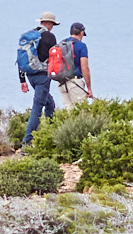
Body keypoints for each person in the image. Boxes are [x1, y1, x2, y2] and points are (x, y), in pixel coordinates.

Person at [16, 12, 61, 147]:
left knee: (50, 103)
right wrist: (58, 76)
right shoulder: (49, 37)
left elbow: (20, 59)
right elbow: (54, 59)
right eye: (52, 24)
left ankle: (51, 133)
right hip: (43, 76)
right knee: (37, 107)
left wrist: (22, 80)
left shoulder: (30, 36)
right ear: (49, 23)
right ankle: (27, 141)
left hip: (30, 75)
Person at [51, 21, 93, 109]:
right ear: (81, 33)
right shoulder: (81, 46)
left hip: (61, 82)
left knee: (68, 110)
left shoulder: (61, 44)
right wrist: (89, 88)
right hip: (75, 82)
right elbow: (84, 68)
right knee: (82, 110)